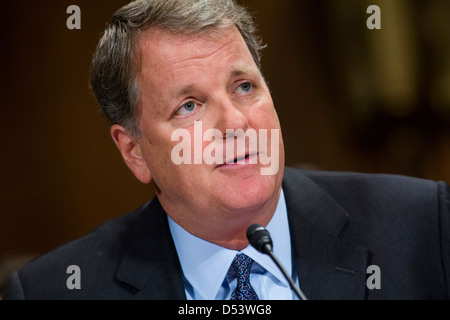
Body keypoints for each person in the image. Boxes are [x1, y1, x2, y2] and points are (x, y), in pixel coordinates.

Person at [3, 0, 450, 300]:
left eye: (244, 87)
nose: (235, 123)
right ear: (134, 151)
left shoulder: (424, 227)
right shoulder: (53, 290)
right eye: (189, 106)